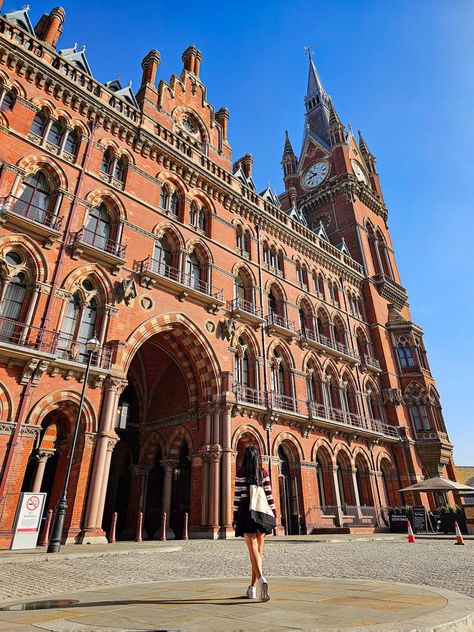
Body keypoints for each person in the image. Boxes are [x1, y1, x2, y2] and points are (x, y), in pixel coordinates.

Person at [232, 445, 276, 602]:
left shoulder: (240, 473)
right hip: (261, 512)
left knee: (252, 551)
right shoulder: (263, 473)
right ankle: (252, 588)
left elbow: (237, 498)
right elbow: (269, 495)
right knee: (258, 551)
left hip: (245, 512)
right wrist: (274, 513)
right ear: (257, 458)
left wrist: (235, 517)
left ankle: (262, 579)